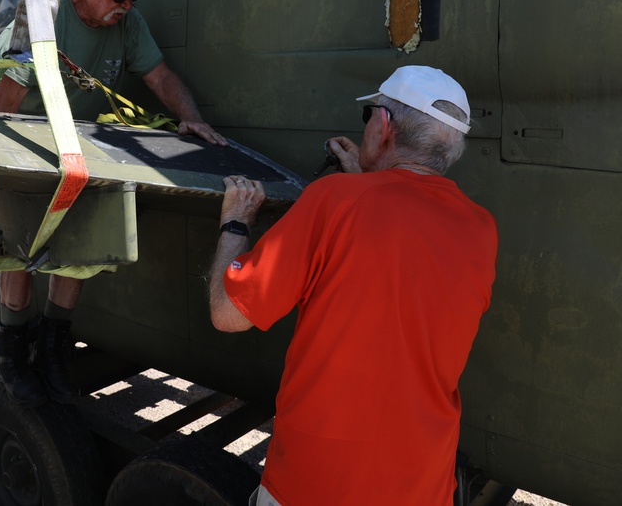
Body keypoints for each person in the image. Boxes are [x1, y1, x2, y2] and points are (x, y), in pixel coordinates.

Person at [208, 66, 498, 505]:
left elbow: (228, 314)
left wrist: (236, 221)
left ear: (383, 127)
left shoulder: (334, 200)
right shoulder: (481, 229)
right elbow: (402, 242)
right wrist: (364, 182)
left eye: (370, 119)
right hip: (422, 486)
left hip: (317, 485)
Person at [0, 0, 227, 406]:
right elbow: (1, 106)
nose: (127, 7)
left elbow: (159, 76)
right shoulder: (42, 17)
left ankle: (53, 351)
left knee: (80, 247)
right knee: (18, 245)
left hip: (81, 147)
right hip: (25, 143)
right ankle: (11, 355)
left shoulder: (127, 26)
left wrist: (191, 119)